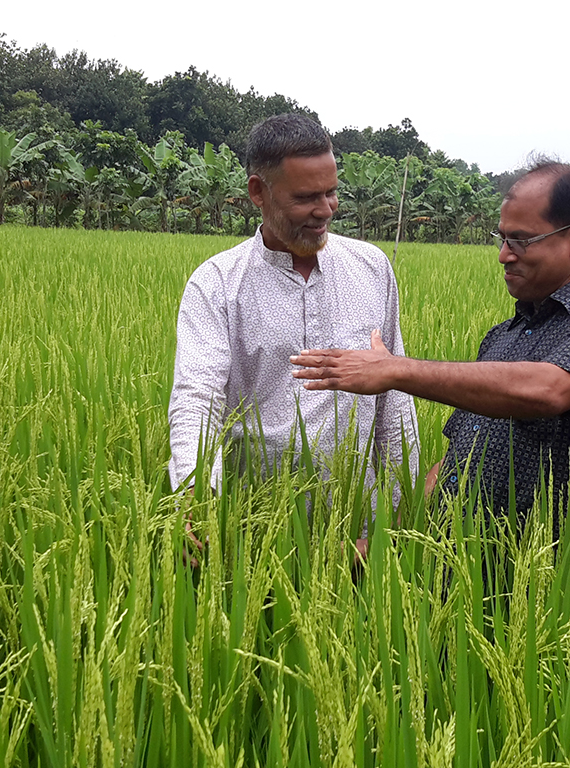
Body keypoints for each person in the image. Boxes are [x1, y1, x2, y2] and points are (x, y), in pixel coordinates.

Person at [290, 159, 570, 529]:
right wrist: (391, 536)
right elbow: (455, 460)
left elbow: (548, 391)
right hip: (461, 570)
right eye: (503, 238)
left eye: (521, 240)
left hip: (549, 574)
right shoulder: (502, 337)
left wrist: (395, 370)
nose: (504, 254)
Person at [167, 113, 419, 501]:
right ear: (258, 191)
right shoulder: (217, 283)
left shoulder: (371, 268)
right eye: (305, 198)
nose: (325, 210)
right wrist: (194, 493)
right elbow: (197, 398)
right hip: (254, 518)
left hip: (358, 519)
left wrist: (403, 512)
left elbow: (394, 402)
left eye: (331, 192)